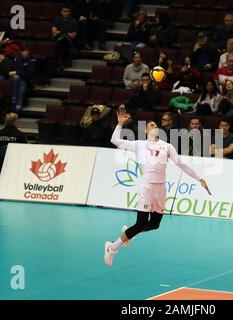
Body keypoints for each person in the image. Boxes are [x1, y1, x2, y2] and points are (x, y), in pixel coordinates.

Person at [105, 108, 211, 266]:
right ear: (146, 130)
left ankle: (128, 234)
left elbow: (181, 164)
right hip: (146, 186)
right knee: (140, 223)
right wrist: (120, 125)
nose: (154, 126)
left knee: (155, 224)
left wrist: (199, 178)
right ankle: (112, 247)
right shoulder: (139, 145)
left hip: (160, 188)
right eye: (151, 125)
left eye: (155, 124)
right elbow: (115, 141)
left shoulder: (167, 147)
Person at [52, 4, 79, 71]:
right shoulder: (56, 19)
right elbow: (54, 32)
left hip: (68, 41)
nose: (66, 13)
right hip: (58, 39)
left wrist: (61, 32)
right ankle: (63, 63)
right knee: (60, 41)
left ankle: (60, 64)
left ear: (70, 12)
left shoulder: (74, 21)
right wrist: (67, 33)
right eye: (64, 11)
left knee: (63, 39)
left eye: (67, 11)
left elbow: (73, 35)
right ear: (61, 12)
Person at [11, 46, 37, 112]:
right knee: (18, 81)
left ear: (29, 52)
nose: (25, 52)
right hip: (16, 79)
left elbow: (29, 72)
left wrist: (17, 73)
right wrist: (19, 72)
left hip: (27, 79)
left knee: (20, 83)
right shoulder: (17, 58)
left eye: (27, 51)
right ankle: (18, 105)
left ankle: (14, 98)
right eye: (23, 51)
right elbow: (15, 69)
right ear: (21, 52)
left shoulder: (32, 59)